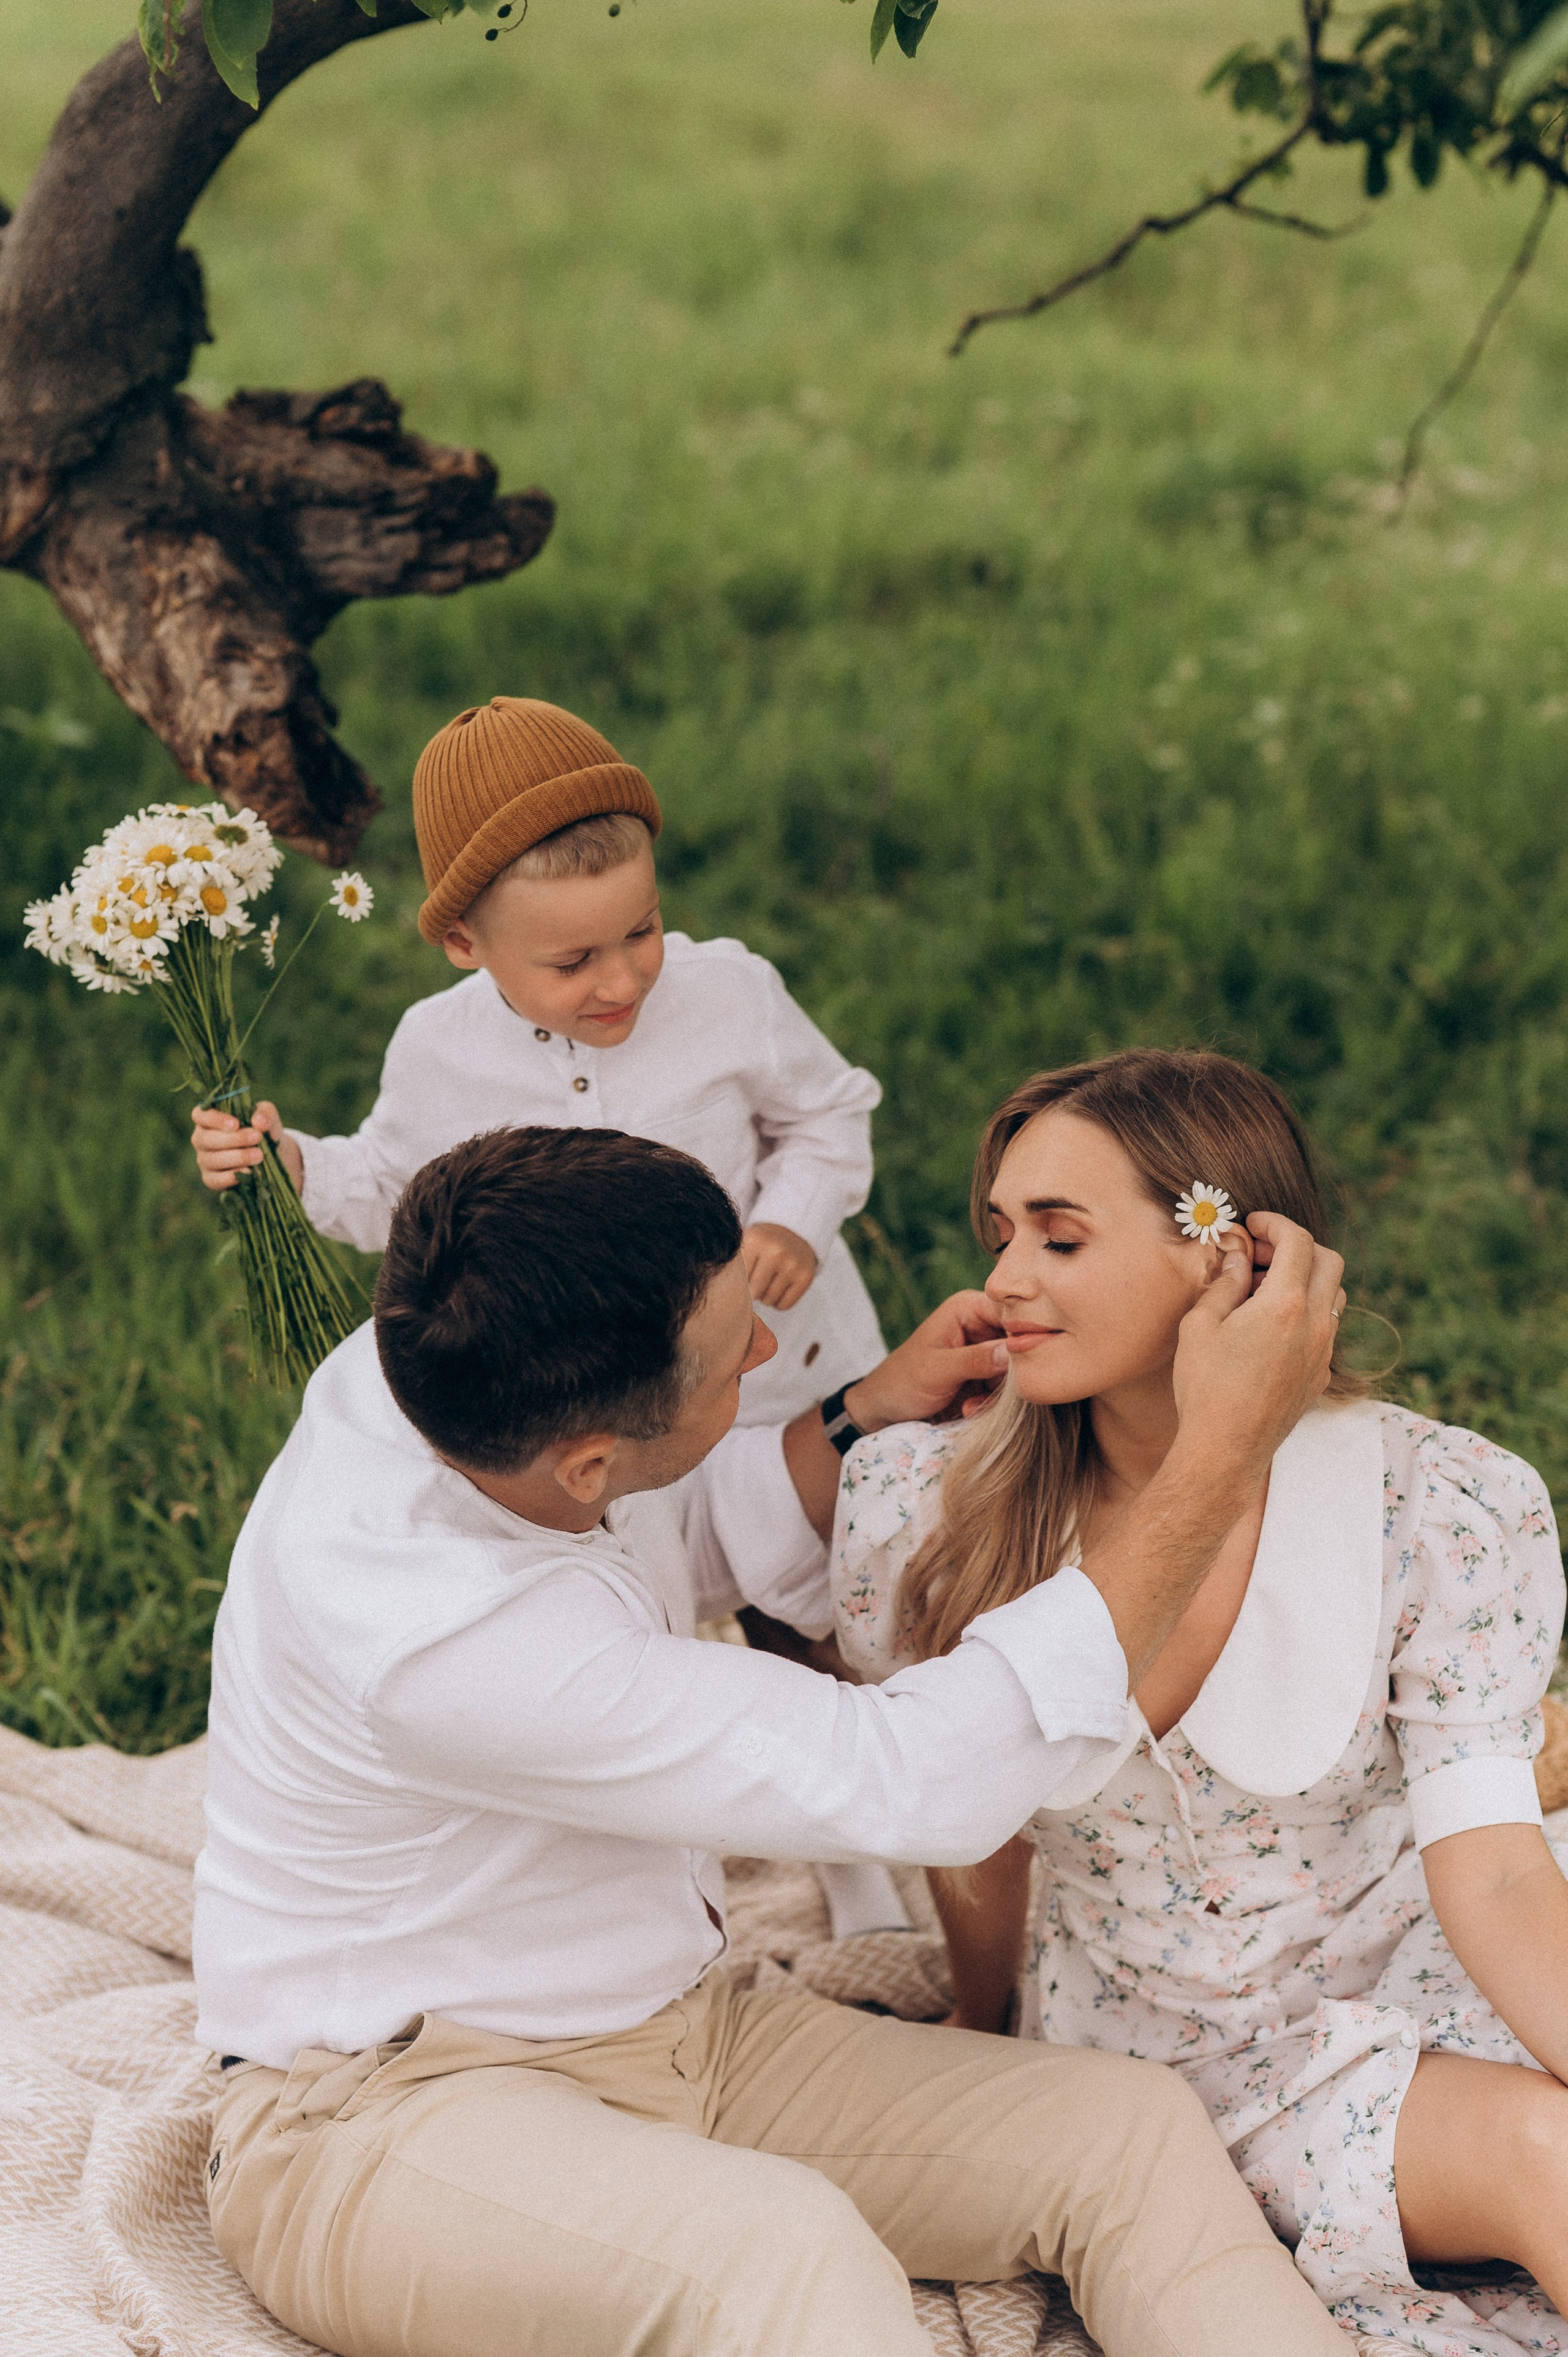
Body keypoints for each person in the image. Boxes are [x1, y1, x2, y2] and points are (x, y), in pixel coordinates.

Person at [196, 1120, 1351, 2357]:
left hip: (679, 2028)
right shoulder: (441, 1643)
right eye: (728, 1360)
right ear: (586, 1458)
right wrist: (1220, 1451)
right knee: (784, 2255)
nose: (763, 1344)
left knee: (1125, 2133)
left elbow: (654, 1516)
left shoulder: (448, 1349)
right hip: (388, 2113)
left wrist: (851, 1416)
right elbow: (918, 1778)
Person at [832, 1047, 1568, 2357]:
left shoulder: (1436, 1503)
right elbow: (975, 1828)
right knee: (1538, 2148)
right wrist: (978, 2016)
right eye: (1000, 1233)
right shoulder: (923, 1513)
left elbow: (1496, 1877)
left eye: (1058, 1239)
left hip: (1433, 1958)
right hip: (1185, 2057)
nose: (1002, 1280)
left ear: (1226, 1255)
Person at [188, 694, 884, 1427]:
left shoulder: (729, 993)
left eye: (642, 929)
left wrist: (793, 1222)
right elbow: (399, 1189)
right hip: (609, 1407)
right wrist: (296, 1167)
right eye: (572, 961)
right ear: (464, 945)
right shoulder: (438, 1049)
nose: (622, 982)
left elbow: (826, 1113)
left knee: (823, 1521)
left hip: (784, 1377)